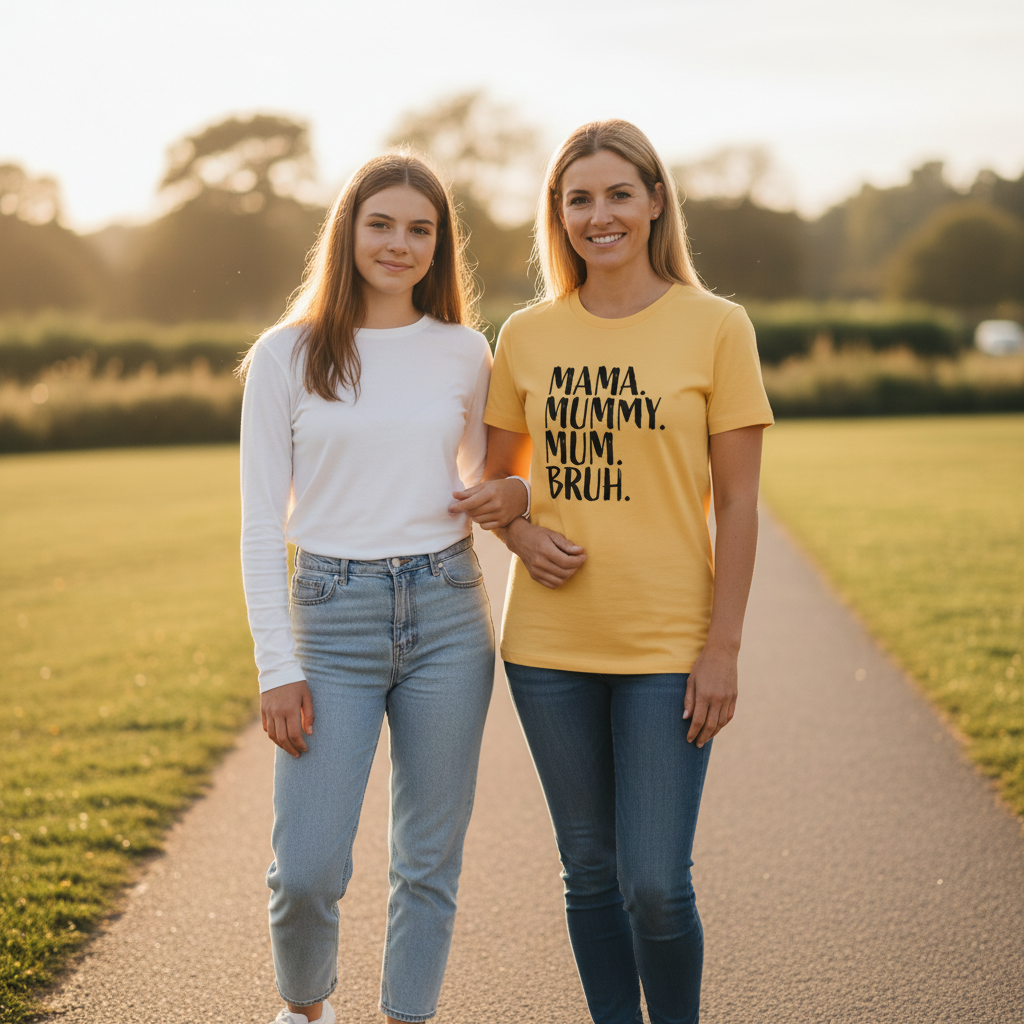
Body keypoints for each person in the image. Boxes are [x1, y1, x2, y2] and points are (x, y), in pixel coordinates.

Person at [454, 120, 774, 1024]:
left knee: (656, 883)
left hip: (671, 644)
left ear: (655, 201)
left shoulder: (716, 327)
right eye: (578, 199)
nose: (600, 216)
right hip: (549, 647)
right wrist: (519, 537)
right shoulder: (526, 335)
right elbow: (499, 484)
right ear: (558, 215)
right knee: (589, 870)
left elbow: (740, 504)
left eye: (618, 195)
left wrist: (725, 648)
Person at [238, 152, 526, 1024]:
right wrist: (274, 665)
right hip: (331, 617)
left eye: (420, 230)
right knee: (308, 869)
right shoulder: (287, 354)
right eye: (382, 225)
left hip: (446, 608)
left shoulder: (465, 351)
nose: (400, 244)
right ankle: (304, 1006)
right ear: (349, 232)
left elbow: (488, 479)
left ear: (439, 247)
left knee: (427, 862)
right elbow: (258, 523)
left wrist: (512, 497)